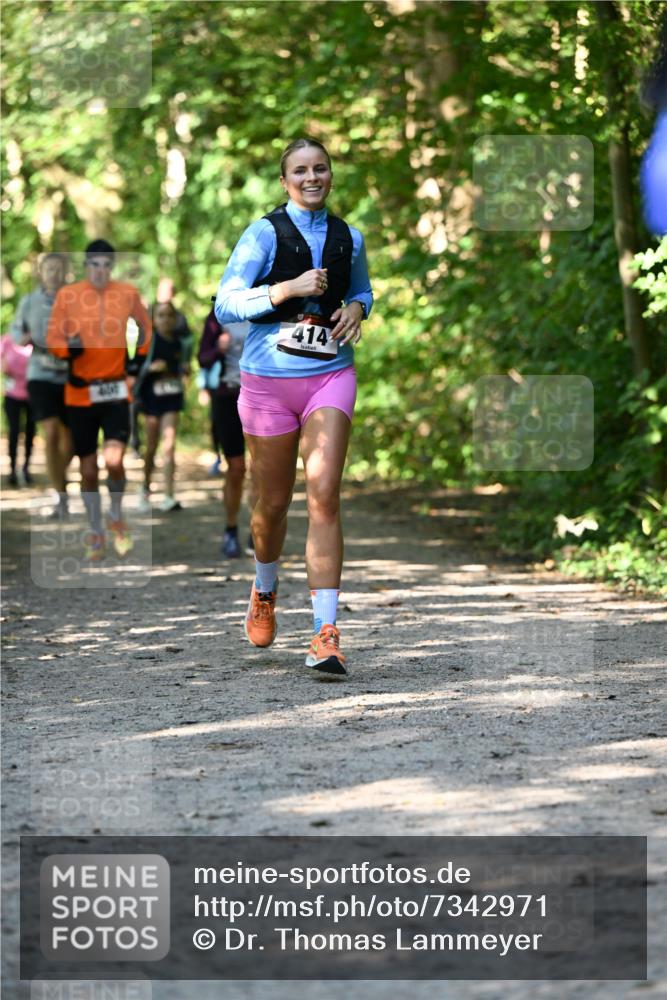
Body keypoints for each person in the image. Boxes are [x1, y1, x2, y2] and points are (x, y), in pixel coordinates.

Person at [215, 137, 373, 677]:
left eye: (321, 169)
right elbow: (226, 302)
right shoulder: (263, 233)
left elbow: (365, 291)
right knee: (272, 505)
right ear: (285, 181)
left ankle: (326, 633)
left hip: (330, 374)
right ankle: (264, 588)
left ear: (331, 175)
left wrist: (356, 307)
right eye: (301, 170)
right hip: (267, 384)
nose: (312, 177)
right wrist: (284, 290)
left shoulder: (349, 236)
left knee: (324, 494)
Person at [46, 239, 152, 560]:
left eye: (107, 265)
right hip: (79, 394)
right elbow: (53, 337)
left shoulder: (127, 294)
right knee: (89, 470)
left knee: (116, 460)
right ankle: (95, 528)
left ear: (112, 267)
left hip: (116, 389)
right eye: (95, 265)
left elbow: (145, 329)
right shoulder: (68, 296)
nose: (101, 271)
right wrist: (68, 351)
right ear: (86, 266)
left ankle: (116, 515)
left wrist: (135, 363)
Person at [10, 253, 72, 516]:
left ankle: (60, 479)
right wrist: (26, 337)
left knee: (70, 442)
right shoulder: (29, 301)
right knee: (51, 430)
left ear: (65, 273)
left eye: (59, 269)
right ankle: (59, 495)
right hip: (39, 374)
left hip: (69, 374)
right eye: (49, 269)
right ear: (41, 273)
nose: (54, 274)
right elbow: (15, 332)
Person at [198, 308, 252, 557]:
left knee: (264, 468)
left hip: (262, 397)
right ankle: (230, 529)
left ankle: (260, 528)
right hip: (227, 397)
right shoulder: (220, 313)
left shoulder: (273, 302)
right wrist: (219, 347)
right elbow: (202, 358)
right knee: (237, 468)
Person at [137, 300, 191, 512]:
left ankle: (168, 495)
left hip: (172, 397)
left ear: (175, 319)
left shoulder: (180, 344)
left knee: (169, 445)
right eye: (161, 315)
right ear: (154, 319)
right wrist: (150, 368)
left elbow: (182, 371)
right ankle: (145, 489)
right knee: (151, 448)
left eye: (169, 315)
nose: (166, 319)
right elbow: (134, 367)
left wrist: (185, 370)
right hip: (151, 399)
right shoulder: (148, 342)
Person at [1, 332, 34, 486]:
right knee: (14, 431)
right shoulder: (7, 340)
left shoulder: (36, 341)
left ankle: (26, 468)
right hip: (12, 395)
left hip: (33, 395)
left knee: (30, 432)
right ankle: (13, 470)